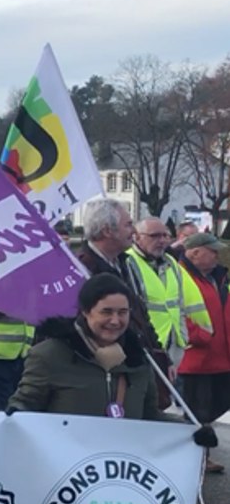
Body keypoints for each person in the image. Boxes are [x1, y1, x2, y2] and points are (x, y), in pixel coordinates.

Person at [9, 275, 166, 421]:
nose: (115, 321)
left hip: (122, 449)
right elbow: (25, 408)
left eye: (122, 313)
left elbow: (150, 416)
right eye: (106, 312)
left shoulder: (138, 359)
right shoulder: (50, 356)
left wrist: (187, 428)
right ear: (86, 311)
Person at [77, 200, 173, 396]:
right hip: (107, 372)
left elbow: (140, 315)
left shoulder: (124, 264)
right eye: (128, 225)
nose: (134, 232)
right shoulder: (82, 269)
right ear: (107, 231)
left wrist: (161, 357)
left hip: (134, 366)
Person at [176, 233, 230, 474]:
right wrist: (200, 336)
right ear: (195, 252)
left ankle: (201, 456)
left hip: (218, 358)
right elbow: (175, 312)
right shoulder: (180, 276)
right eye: (213, 251)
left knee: (212, 409)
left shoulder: (214, 277)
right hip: (196, 360)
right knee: (197, 412)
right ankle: (195, 458)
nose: (218, 255)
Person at [128, 217, 202, 367]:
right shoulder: (129, 261)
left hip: (174, 346)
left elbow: (179, 303)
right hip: (147, 348)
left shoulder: (170, 262)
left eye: (165, 236)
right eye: (154, 236)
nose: (162, 240)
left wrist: (183, 336)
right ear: (137, 237)